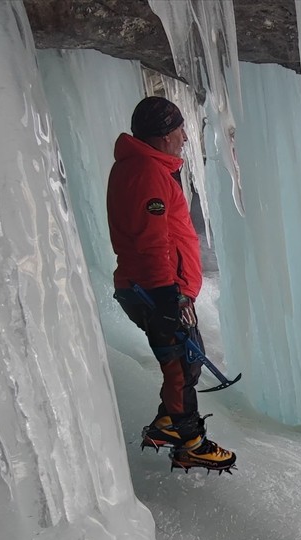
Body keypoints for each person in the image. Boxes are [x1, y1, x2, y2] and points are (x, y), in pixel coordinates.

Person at [106, 96, 235, 472]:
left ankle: (167, 425)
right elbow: (151, 242)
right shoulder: (146, 172)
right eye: (179, 128)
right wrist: (166, 299)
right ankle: (190, 441)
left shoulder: (146, 168)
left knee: (185, 362)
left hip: (158, 289)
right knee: (181, 364)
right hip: (157, 290)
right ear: (163, 134)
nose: (184, 136)